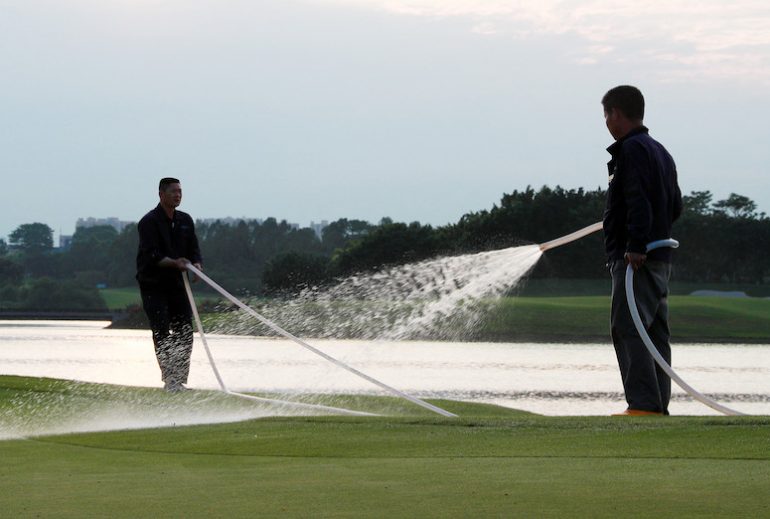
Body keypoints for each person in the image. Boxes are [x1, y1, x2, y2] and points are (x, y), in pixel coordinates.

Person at [601, 85, 683, 416]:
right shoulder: (660, 151)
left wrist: (635, 244)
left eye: (606, 114)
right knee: (654, 331)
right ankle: (657, 404)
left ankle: (643, 405)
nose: (606, 121)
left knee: (628, 326)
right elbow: (674, 205)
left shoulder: (631, 150)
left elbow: (637, 198)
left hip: (637, 259)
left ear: (615, 114)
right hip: (660, 257)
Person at [136, 178, 203, 392]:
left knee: (184, 331)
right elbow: (153, 255)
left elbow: (193, 249)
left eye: (180, 191)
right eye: (173, 191)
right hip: (153, 285)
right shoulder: (148, 222)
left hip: (177, 285)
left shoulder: (185, 220)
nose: (178, 195)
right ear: (161, 194)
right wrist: (175, 263)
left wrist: (197, 265)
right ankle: (170, 380)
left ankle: (179, 380)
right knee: (162, 330)